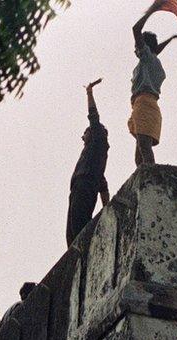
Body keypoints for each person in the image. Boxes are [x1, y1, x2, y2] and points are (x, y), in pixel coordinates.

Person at [128, 1, 177, 167]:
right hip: (147, 106)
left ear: (143, 46)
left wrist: (152, 10)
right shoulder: (153, 61)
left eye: (137, 45)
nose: (135, 49)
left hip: (144, 105)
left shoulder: (147, 57)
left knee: (144, 149)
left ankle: (152, 179)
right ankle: (144, 181)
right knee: (139, 155)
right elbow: (156, 50)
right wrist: (172, 38)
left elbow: (135, 29)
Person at [66, 79, 111, 246]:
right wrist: (107, 207)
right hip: (79, 188)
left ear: (92, 133)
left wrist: (89, 93)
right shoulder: (93, 157)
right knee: (72, 235)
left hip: (84, 187)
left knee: (78, 229)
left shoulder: (97, 140)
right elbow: (103, 183)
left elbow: (93, 116)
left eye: (85, 133)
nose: (82, 137)